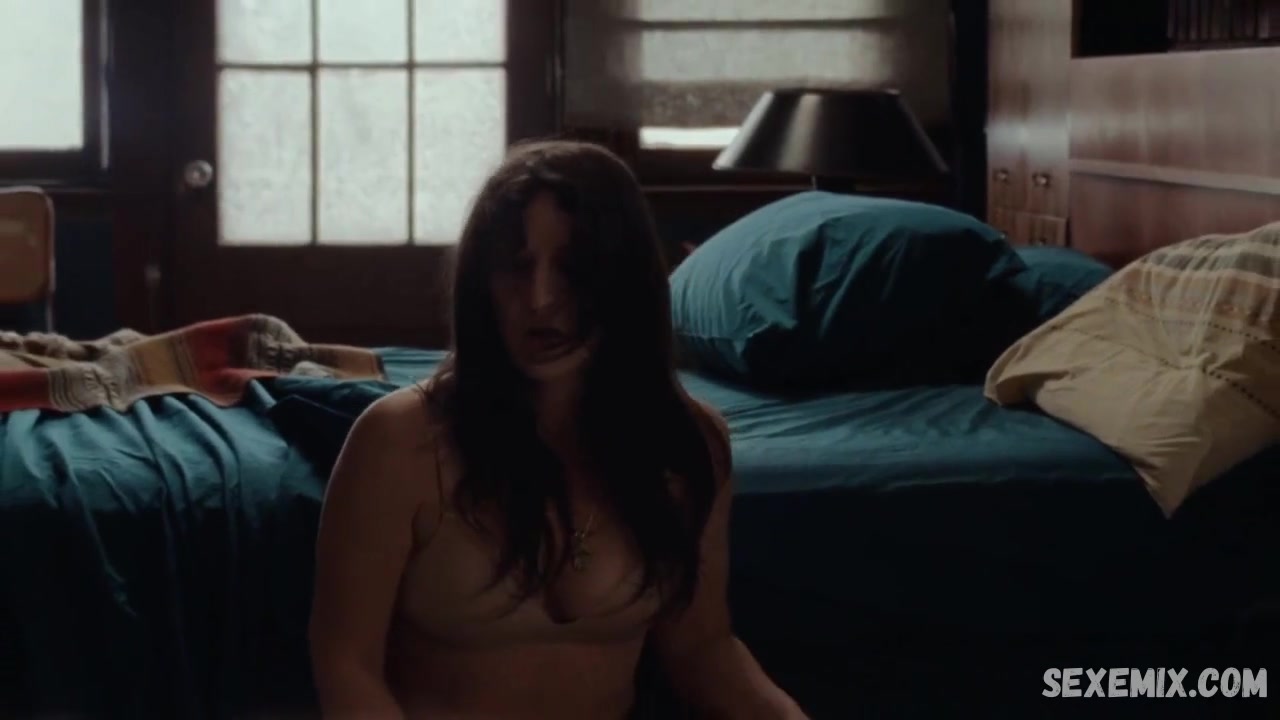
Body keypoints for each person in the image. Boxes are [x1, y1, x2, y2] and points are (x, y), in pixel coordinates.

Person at [308, 139, 808, 720]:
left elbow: (701, 648)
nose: (540, 299)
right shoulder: (400, 441)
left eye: (572, 269)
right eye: (516, 267)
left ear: (623, 278)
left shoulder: (689, 445)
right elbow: (346, 664)